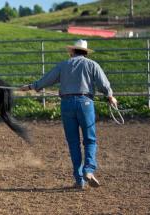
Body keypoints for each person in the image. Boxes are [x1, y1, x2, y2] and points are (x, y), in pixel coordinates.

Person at [20, 39, 117, 189]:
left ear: (72, 51)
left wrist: (31, 86)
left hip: (66, 104)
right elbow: (103, 84)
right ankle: (89, 170)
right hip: (85, 103)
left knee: (73, 143)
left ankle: (79, 180)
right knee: (90, 139)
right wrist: (110, 96)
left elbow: (47, 79)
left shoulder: (63, 65)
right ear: (85, 52)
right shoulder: (92, 65)